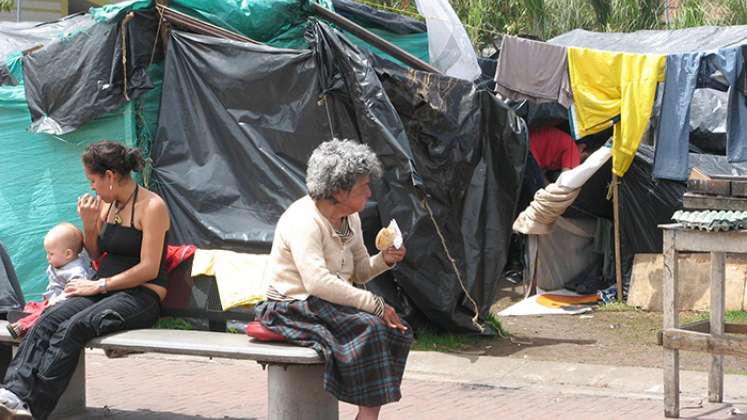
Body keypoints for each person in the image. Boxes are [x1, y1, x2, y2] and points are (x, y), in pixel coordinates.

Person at [0, 140, 170, 420]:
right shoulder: (108, 205)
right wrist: (89, 225)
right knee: (49, 319)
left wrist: (99, 285)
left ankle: (33, 407)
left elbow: (149, 269)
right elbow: (96, 254)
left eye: (93, 180)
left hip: (141, 295)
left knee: (76, 327)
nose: (92, 187)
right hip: (103, 289)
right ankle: (11, 393)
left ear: (111, 176)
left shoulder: (152, 207)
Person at [254, 139, 412, 420]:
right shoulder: (303, 220)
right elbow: (317, 282)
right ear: (339, 191)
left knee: (396, 329)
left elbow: (361, 270)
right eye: (363, 187)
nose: (370, 192)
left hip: (321, 302)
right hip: (289, 306)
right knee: (371, 327)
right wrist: (373, 303)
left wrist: (385, 259)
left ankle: (366, 414)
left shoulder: (350, 218)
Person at [6, 222, 95, 339]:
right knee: (33, 306)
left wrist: (56, 301)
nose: (47, 257)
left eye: (51, 253)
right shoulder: (62, 262)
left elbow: (74, 293)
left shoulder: (76, 271)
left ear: (68, 254)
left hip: (64, 305)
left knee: (44, 314)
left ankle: (22, 326)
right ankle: (29, 316)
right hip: (53, 300)